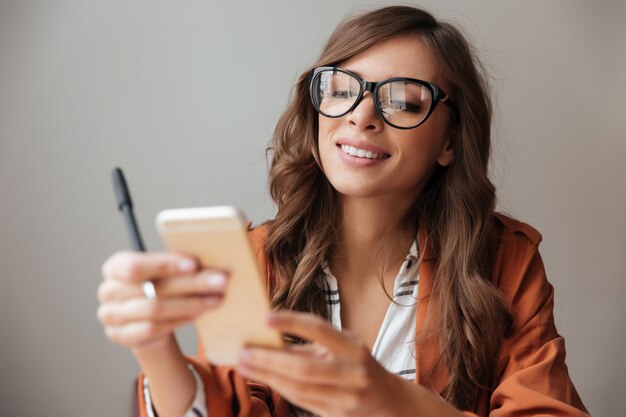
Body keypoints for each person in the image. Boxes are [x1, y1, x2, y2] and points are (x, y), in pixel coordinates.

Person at [97, 5, 589, 417]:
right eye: (340, 88)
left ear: (450, 141)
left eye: (402, 101)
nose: (361, 115)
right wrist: (156, 350)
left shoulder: (506, 262)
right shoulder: (257, 259)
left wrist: (397, 402)